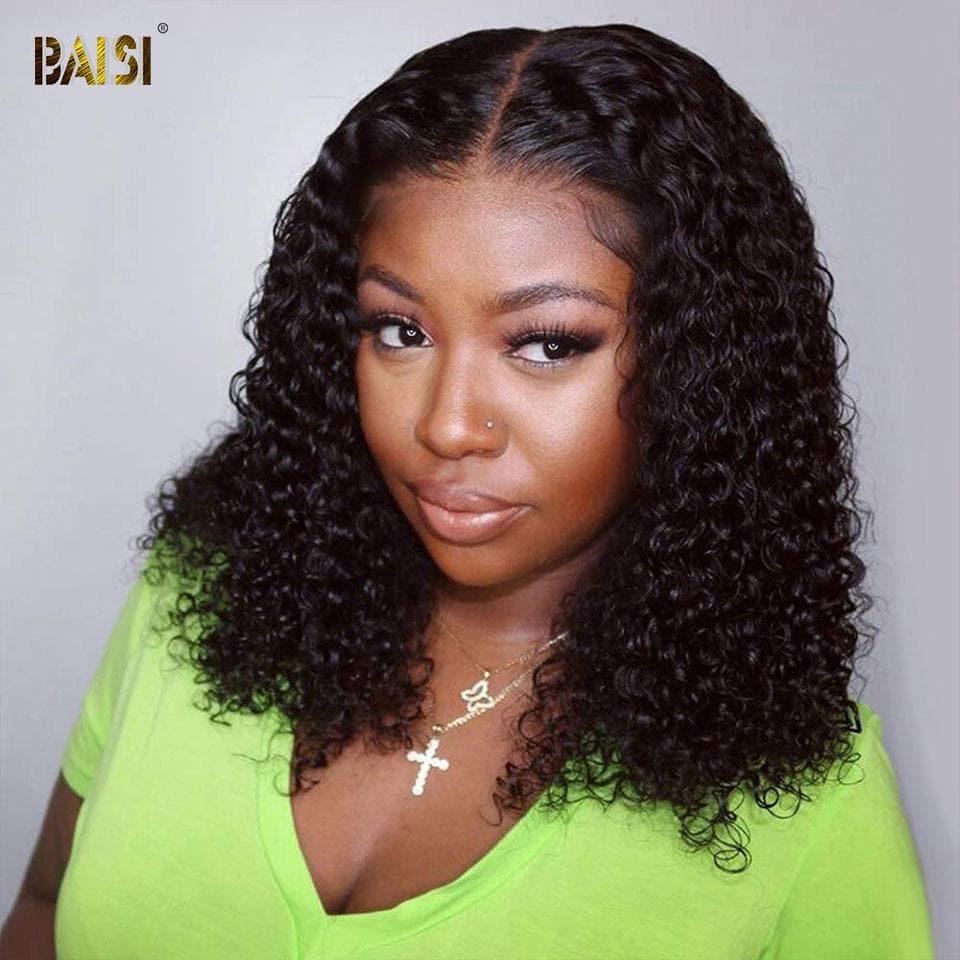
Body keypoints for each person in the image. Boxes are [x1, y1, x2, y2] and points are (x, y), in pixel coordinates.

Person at [1, 23, 934, 960]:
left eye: (546, 344)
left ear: (701, 363)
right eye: (399, 331)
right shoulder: (204, 592)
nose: (448, 426)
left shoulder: (808, 808)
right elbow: (42, 908)